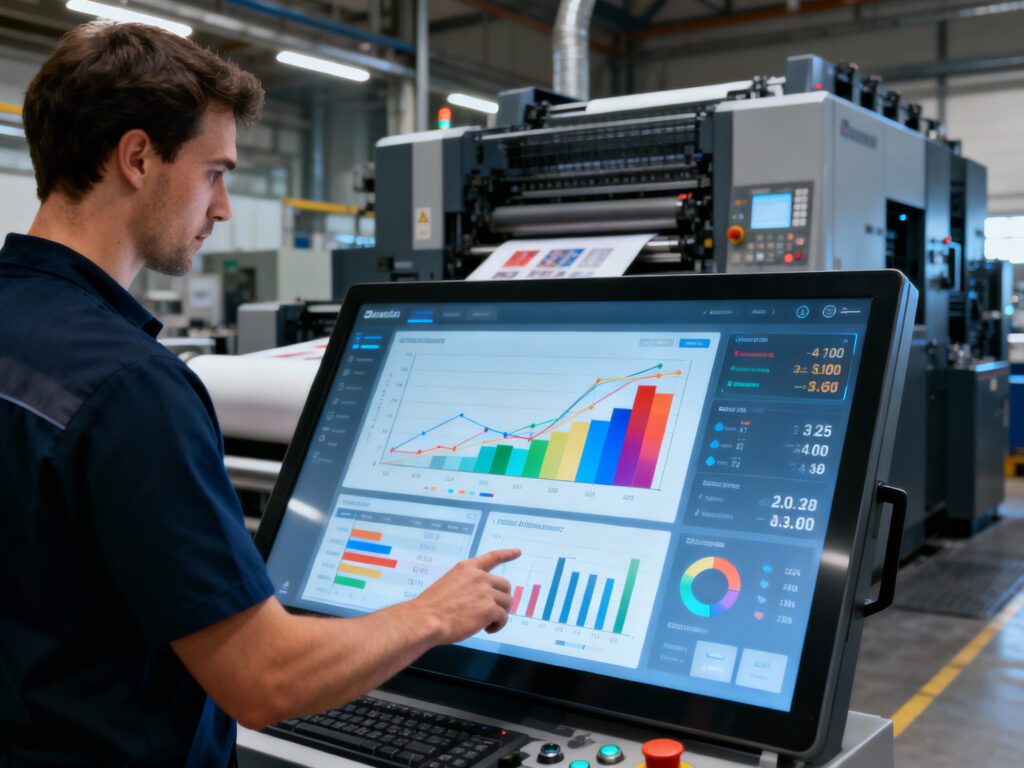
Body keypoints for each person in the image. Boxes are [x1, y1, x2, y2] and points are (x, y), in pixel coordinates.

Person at [0, 22, 518, 767]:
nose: (223, 208)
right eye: (215, 172)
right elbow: (264, 682)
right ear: (139, 158)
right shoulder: (133, 389)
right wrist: (433, 613)